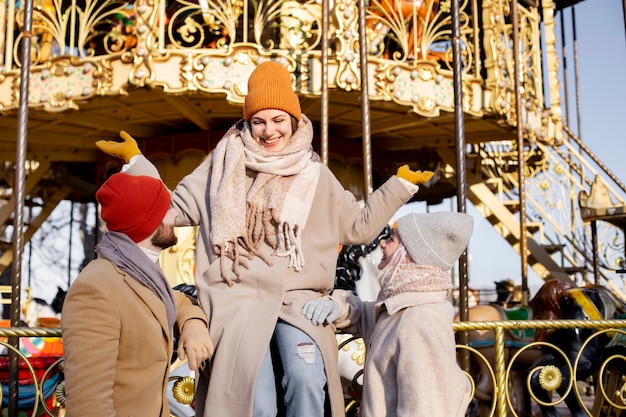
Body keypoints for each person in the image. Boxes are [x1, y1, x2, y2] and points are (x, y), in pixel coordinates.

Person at [95, 60, 434, 417]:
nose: (268, 131)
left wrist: (400, 185)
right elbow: (173, 207)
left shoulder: (315, 173)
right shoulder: (222, 164)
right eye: (258, 121)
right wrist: (138, 164)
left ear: (294, 121)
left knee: (305, 379)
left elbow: (359, 226)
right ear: (247, 122)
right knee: (254, 400)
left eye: (278, 120)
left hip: (299, 300)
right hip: (236, 298)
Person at [61, 173, 214, 417]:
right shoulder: (96, 289)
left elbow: (178, 300)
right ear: (147, 221)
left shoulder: (140, 275)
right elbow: (89, 404)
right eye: (167, 208)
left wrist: (193, 324)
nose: (175, 214)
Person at [302, 211, 474, 417]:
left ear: (410, 254)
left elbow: (426, 407)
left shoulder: (419, 319)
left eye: (391, 240)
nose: (382, 244)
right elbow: (371, 316)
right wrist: (339, 306)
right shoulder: (403, 307)